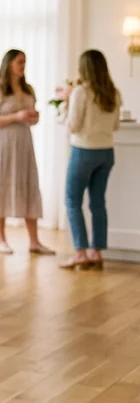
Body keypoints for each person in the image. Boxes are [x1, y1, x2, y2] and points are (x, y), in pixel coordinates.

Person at [0, 49, 53, 254]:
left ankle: (34, 241)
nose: (23, 65)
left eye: (25, 62)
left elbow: (31, 119)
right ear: (9, 64)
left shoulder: (29, 89)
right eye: (20, 62)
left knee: (29, 185)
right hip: (2, 145)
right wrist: (17, 116)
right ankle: (1, 239)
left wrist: (32, 117)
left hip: (24, 144)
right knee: (0, 185)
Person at [56, 49, 121, 269]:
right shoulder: (113, 92)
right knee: (97, 203)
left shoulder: (81, 92)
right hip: (106, 152)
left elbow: (73, 125)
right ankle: (96, 253)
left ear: (83, 69)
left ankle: (81, 254)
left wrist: (64, 106)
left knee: (72, 201)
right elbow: (115, 126)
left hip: (83, 151)